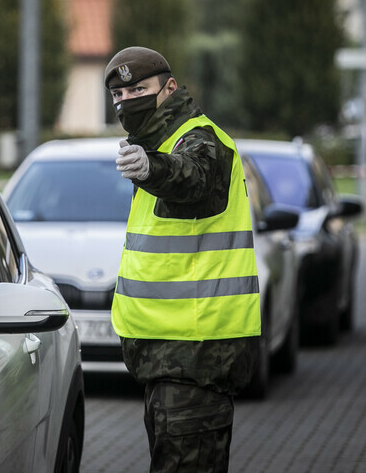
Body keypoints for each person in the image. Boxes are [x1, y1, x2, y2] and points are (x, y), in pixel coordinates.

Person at [105, 46, 260, 473]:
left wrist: (151, 169)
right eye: (118, 94)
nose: (126, 100)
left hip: (197, 354)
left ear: (169, 88)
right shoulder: (157, 141)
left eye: (139, 88)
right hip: (169, 357)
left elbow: (191, 175)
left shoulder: (198, 137)